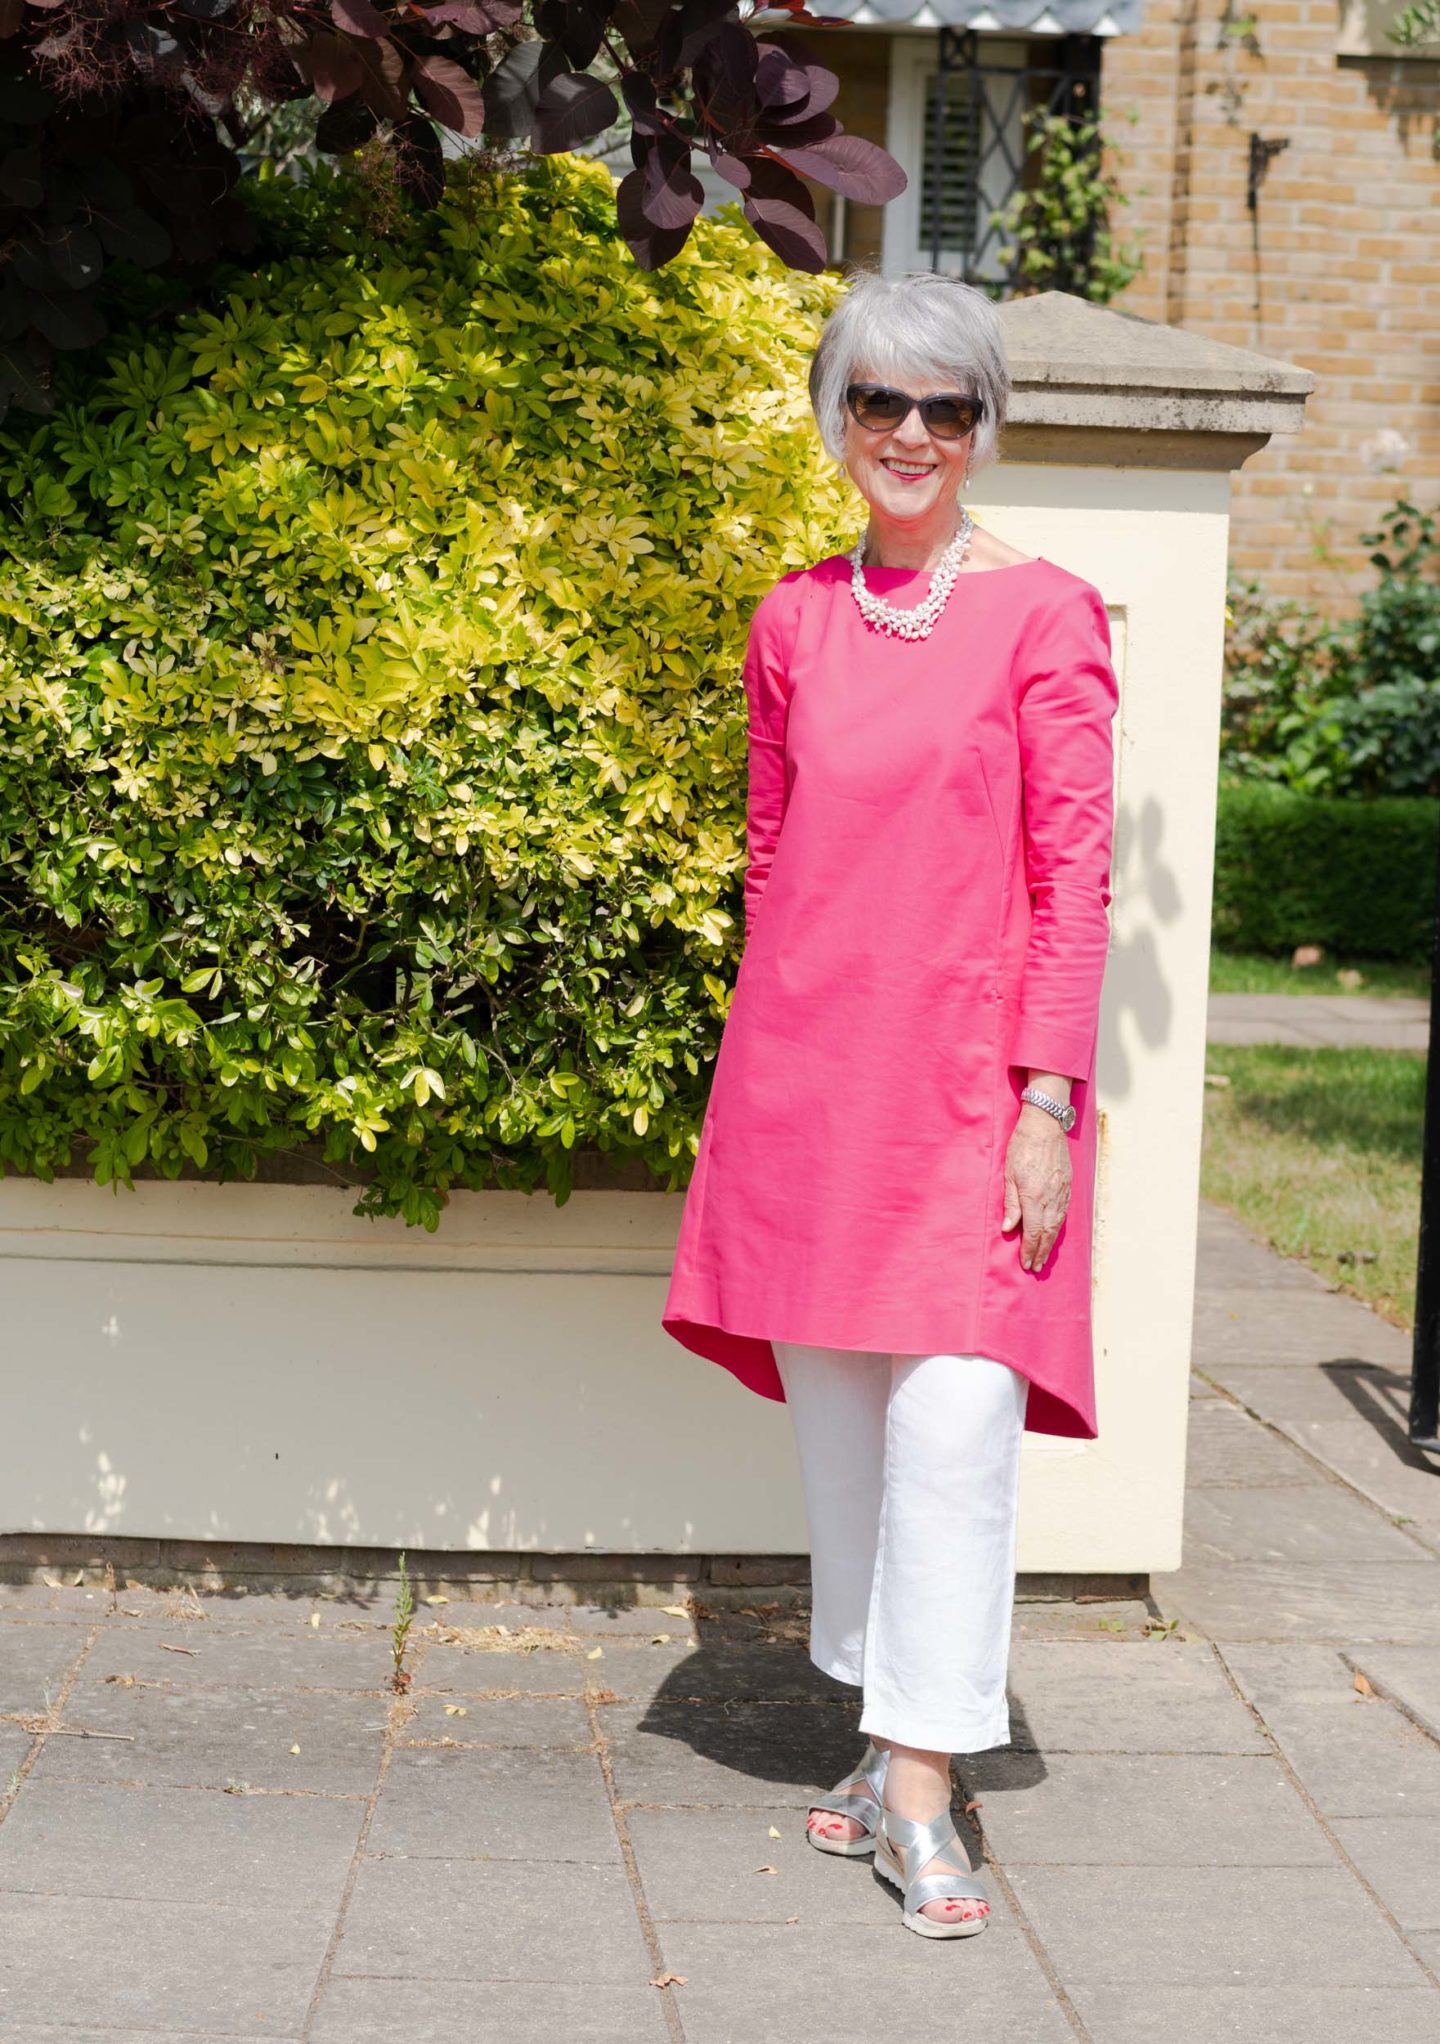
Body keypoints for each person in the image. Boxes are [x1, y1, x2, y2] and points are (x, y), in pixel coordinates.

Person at [661, 266, 1119, 1941]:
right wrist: (756, 1082)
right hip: (809, 1079)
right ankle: (879, 1739)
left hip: (973, 1090)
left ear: (984, 425)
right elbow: (780, 858)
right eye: (879, 402)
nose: (910, 434)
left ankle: (926, 1791)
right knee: (846, 1432)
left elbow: (1077, 876)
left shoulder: (1046, 615)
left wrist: (1050, 1100)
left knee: (951, 1428)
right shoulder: (792, 621)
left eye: (945, 406)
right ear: (835, 418)